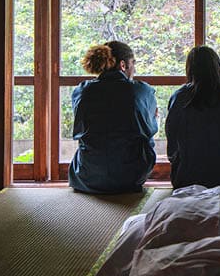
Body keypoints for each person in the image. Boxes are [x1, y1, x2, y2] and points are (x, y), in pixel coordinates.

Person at [68, 41, 158, 194]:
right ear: (123, 65)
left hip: (87, 176)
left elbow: (80, 129)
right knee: (149, 127)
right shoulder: (141, 90)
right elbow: (150, 129)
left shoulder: (82, 91)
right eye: (133, 64)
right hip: (130, 177)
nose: (134, 69)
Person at [165, 46, 220, 189]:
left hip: (188, 179)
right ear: (217, 67)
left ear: (190, 69)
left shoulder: (179, 97)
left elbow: (172, 143)